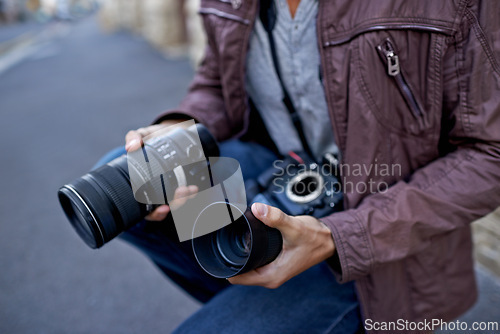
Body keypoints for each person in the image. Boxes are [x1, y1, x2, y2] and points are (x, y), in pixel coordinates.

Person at [105, 0, 500, 332]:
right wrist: (177, 129)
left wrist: (338, 237)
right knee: (128, 183)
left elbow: (490, 154)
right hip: (278, 175)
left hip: (378, 236)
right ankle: (259, 292)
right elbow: (216, 83)